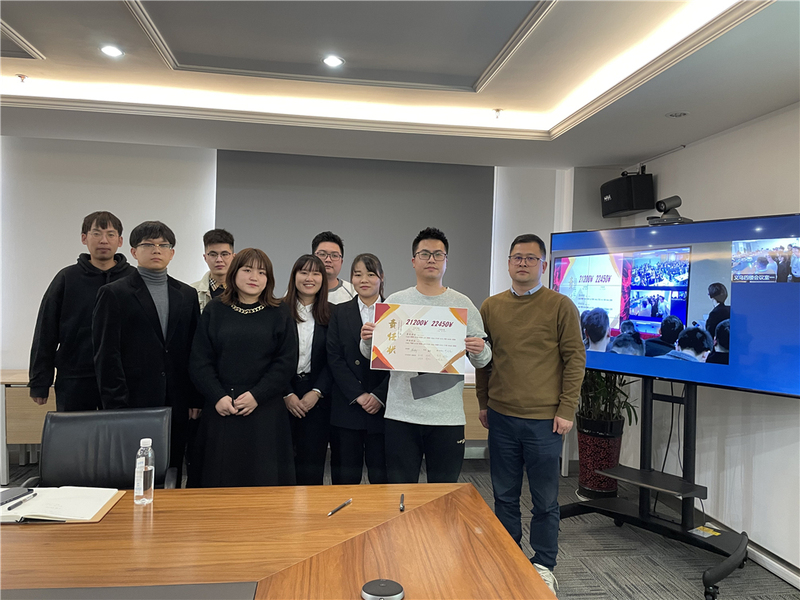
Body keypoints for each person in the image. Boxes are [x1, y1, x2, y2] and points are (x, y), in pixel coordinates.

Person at [476, 233, 585, 594]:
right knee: (504, 495)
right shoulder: (491, 306)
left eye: (530, 258)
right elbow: (484, 360)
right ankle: (508, 557)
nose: (522, 263)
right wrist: (482, 402)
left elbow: (575, 360)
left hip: (545, 420)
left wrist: (566, 409)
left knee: (545, 500)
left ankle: (543, 564)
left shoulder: (560, 305)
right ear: (508, 263)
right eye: (517, 257)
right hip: (501, 416)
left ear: (544, 265)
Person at [360, 227, 491, 484]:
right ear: (413, 261)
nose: (432, 259)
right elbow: (370, 354)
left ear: (446, 261)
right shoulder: (395, 302)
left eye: (438, 254)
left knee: (442, 493)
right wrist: (367, 339)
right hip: (401, 415)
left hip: (447, 417)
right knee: (400, 491)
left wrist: (479, 349)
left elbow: (484, 359)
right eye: (425, 254)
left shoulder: (462, 304)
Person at [92, 221, 201, 479]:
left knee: (172, 468)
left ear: (172, 253)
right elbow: (107, 354)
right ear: (133, 251)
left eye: (164, 245)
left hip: (177, 400)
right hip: (133, 400)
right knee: (133, 472)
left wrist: (195, 398)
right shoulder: (114, 293)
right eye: (149, 245)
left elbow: (194, 350)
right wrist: (116, 405)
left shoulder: (186, 294)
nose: (157, 250)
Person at [189, 248, 297, 487]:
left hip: (265, 409)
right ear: (234, 273)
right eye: (247, 270)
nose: (254, 277)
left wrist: (257, 395)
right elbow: (200, 360)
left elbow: (286, 362)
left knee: (263, 482)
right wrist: (217, 396)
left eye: (261, 272)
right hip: (221, 407)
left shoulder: (280, 312)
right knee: (218, 479)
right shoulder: (215, 309)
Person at [29, 211, 135, 411]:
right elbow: (46, 330)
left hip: (124, 379)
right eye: (96, 233)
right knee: (74, 431)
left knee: (120, 431)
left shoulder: (133, 279)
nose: (103, 240)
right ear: (84, 238)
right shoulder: (67, 278)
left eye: (110, 234)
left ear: (120, 241)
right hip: (75, 378)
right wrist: (39, 381)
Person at [327, 253, 390, 485]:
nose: (364, 280)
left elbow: (401, 363)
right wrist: (359, 395)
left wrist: (378, 395)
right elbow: (334, 358)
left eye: (371, 274)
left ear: (381, 277)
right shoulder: (338, 312)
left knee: (382, 478)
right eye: (357, 274)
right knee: (345, 478)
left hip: (383, 406)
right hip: (348, 405)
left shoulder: (395, 312)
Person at [282, 255, 333, 485]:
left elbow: (334, 359)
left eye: (315, 273)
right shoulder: (278, 310)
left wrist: (317, 391)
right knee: (281, 464)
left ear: (323, 279)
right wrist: (287, 393)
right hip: (281, 393)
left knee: (312, 465)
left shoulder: (333, 314)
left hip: (317, 396)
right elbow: (270, 357)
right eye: (303, 272)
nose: (309, 278)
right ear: (294, 276)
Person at [191, 229, 235, 312]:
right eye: (213, 254)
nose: (219, 260)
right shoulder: (192, 292)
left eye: (224, 254)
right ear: (205, 258)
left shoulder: (244, 291)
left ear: (233, 257)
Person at [312, 231, 355, 304]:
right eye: (322, 254)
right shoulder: (300, 291)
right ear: (312, 258)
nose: (328, 260)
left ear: (341, 262)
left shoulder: (353, 293)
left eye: (334, 255)